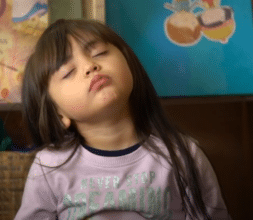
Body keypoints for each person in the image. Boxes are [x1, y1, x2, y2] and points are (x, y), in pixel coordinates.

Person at [14, 19, 230, 220]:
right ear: (57, 113)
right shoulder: (50, 166)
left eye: (99, 53)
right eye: (68, 72)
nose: (90, 66)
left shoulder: (183, 154)